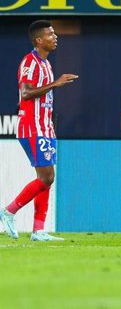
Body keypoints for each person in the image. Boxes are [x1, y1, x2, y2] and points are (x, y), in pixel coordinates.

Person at [0, 21, 78, 241]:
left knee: (46, 178)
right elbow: (25, 94)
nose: (55, 37)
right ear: (38, 40)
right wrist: (56, 84)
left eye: (54, 33)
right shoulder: (30, 62)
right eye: (50, 34)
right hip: (33, 127)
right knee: (46, 177)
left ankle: (39, 230)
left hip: (45, 127)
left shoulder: (45, 64)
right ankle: (8, 211)